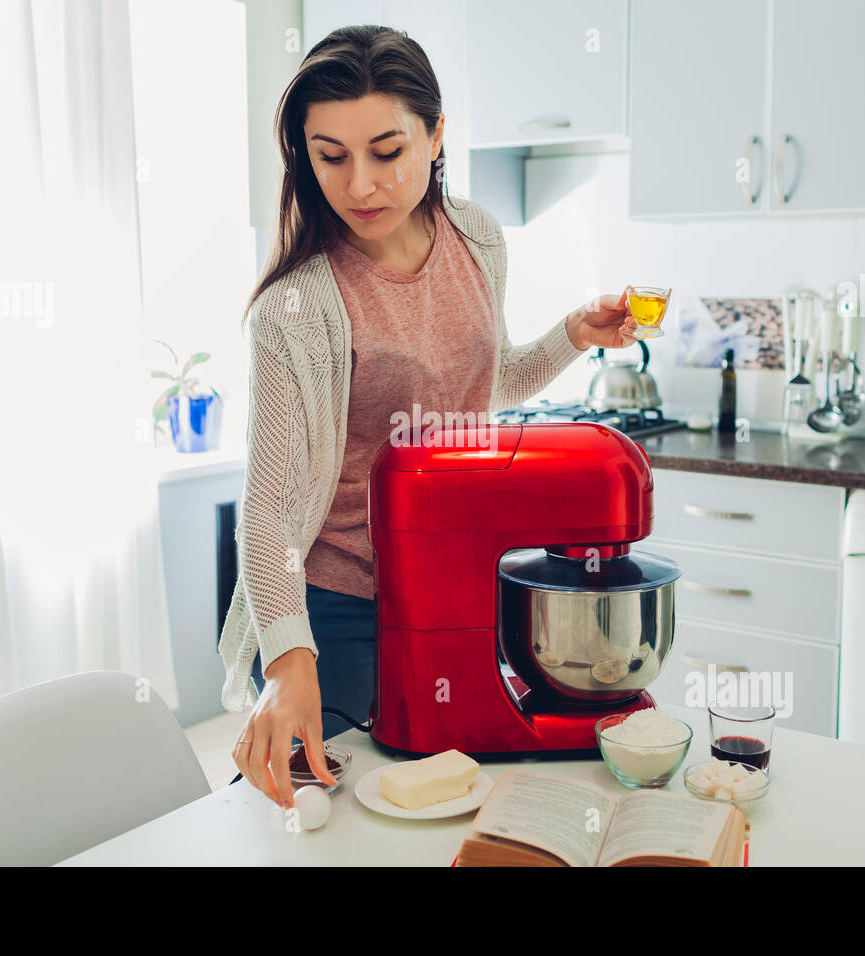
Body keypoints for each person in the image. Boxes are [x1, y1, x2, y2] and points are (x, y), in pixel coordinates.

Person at [220, 25, 642, 810]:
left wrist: (572, 336)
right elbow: (268, 504)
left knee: (452, 809)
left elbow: (479, 392)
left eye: (387, 151)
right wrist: (287, 656)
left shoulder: (476, 237)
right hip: (336, 609)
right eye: (330, 156)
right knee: (320, 822)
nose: (359, 186)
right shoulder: (297, 304)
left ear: (436, 134)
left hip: (459, 588)